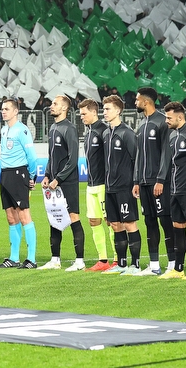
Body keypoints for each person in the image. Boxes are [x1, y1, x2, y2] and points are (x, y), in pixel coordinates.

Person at [39, 95, 84, 271]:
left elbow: (73, 159)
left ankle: (79, 261)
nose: (51, 106)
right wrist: (47, 175)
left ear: (64, 108)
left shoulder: (69, 129)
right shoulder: (53, 128)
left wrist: (58, 178)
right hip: (54, 181)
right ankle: (55, 259)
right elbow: (52, 156)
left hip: (68, 182)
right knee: (54, 217)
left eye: (55, 104)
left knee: (73, 217)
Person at [131, 87, 172, 276]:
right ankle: (154, 265)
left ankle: (173, 264)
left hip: (159, 183)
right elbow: (139, 155)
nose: (135, 102)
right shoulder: (142, 125)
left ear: (146, 102)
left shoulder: (162, 122)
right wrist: (137, 180)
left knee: (165, 221)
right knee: (150, 222)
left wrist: (161, 179)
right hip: (145, 183)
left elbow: (166, 153)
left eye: (137, 100)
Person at [154, 101, 186, 279]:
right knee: (178, 228)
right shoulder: (172, 136)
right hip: (175, 190)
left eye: (169, 117)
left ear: (180, 117)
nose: (166, 121)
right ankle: (178, 269)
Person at [100, 95, 142, 274]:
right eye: (104, 109)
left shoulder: (127, 133)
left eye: (108, 109)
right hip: (110, 188)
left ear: (118, 111)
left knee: (129, 224)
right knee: (116, 225)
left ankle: (136, 264)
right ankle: (122, 264)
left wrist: (135, 182)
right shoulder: (105, 133)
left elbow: (137, 159)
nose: (105, 112)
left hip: (125, 187)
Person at [0, 98, 37, 269]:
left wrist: (32, 177)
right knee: (11, 217)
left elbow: (32, 157)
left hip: (19, 173)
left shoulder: (22, 130)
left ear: (15, 112)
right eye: (2, 109)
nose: (3, 111)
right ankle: (14, 258)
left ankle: (31, 259)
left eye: (6, 109)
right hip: (5, 174)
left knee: (24, 215)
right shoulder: (5, 130)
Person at [77, 99, 111, 272]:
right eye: (80, 114)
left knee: (110, 221)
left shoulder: (104, 131)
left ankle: (118, 260)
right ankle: (103, 260)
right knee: (93, 221)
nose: (81, 117)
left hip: (104, 184)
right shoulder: (89, 132)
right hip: (91, 185)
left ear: (94, 112)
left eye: (84, 113)